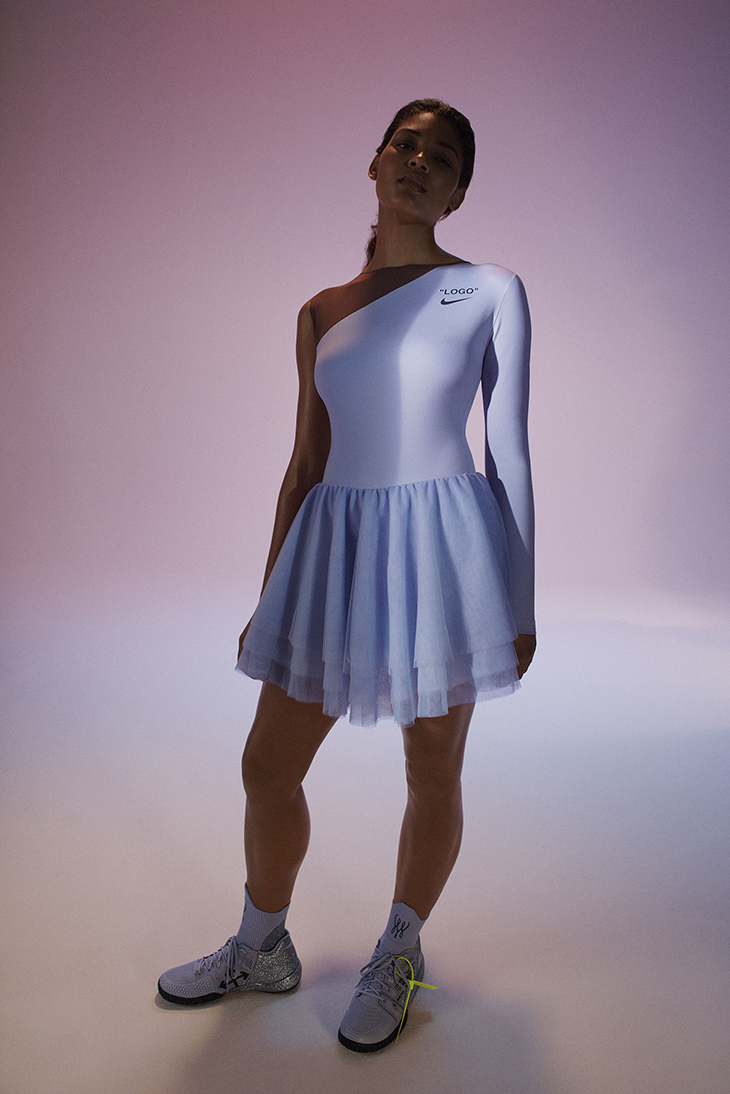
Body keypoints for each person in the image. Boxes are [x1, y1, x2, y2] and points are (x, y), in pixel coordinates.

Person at [158, 99, 536, 1052]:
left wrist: (520, 596)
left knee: (431, 766)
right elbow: (304, 465)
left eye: (441, 157)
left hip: (445, 548)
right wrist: (268, 596)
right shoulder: (320, 311)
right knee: (266, 764)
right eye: (405, 144)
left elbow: (510, 452)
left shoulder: (490, 289)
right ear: (375, 161)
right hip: (335, 547)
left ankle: (399, 951)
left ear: (458, 192)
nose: (419, 161)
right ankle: (261, 945)